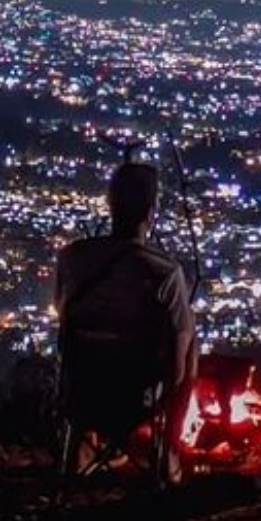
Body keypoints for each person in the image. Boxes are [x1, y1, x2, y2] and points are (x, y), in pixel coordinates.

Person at [55, 161, 196, 484]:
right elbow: (177, 363)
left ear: (110, 205)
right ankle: (167, 452)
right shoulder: (163, 272)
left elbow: (64, 320)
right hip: (137, 398)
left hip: (83, 392)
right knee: (188, 337)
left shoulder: (72, 258)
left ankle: (83, 445)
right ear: (151, 211)